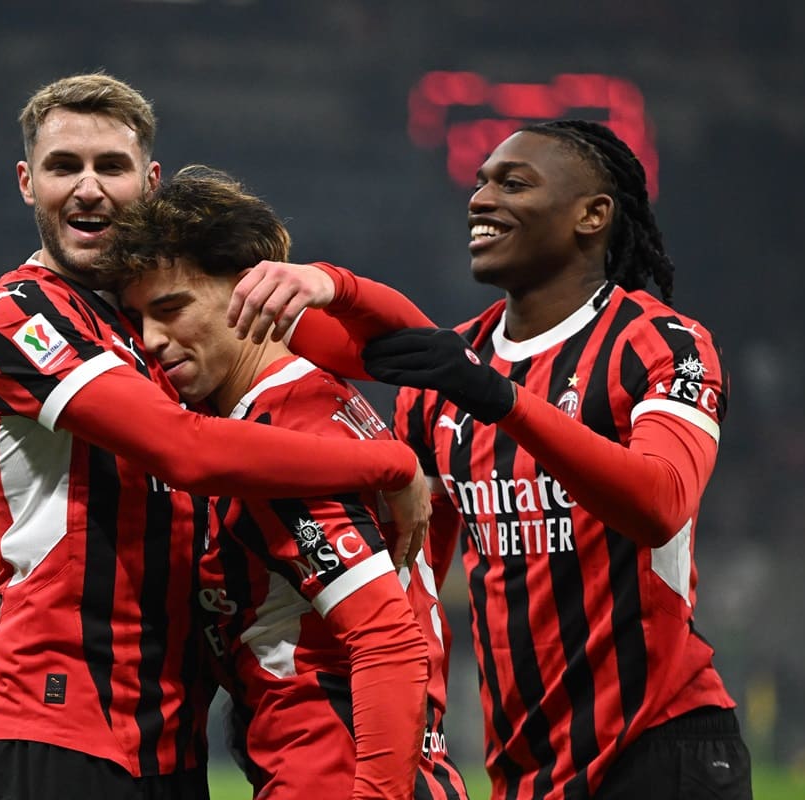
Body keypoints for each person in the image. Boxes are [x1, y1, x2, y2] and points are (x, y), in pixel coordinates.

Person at [231, 120, 752, 800]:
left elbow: (660, 503)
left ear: (592, 215)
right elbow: (412, 583)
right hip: (524, 769)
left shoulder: (660, 343)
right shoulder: (448, 377)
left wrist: (500, 398)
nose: (480, 198)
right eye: (479, 182)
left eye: (514, 183)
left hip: (659, 747)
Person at [0, 73, 430, 800]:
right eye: (64, 167)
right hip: (57, 724)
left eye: (109, 166)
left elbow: (409, 349)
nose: (88, 187)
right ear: (28, 183)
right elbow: (187, 449)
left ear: (148, 182)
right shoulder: (21, 312)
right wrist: (391, 463)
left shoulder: (168, 316)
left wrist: (327, 281)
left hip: (172, 745)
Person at [104, 165, 472, 800]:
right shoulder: (326, 398)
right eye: (139, 320)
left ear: (250, 291)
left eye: (171, 309)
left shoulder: (286, 434)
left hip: (335, 776)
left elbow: (388, 642)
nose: (154, 342)